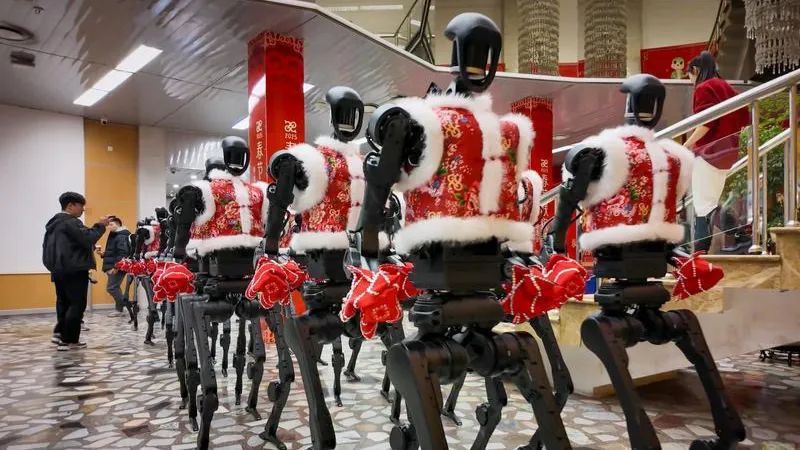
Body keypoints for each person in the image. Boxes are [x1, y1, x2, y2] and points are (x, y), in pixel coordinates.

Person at [683, 51, 750, 252]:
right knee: (710, 202)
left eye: (689, 75)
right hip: (727, 152)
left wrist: (687, 145)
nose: (690, 80)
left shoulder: (704, 87)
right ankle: (740, 237)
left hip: (708, 152)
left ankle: (701, 250)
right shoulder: (726, 87)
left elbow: (706, 122)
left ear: (695, 70)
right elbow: (745, 117)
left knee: (703, 205)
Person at [43, 192, 109, 351]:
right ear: (70, 205)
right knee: (76, 304)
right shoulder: (70, 222)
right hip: (74, 269)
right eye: (81, 206)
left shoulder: (54, 224)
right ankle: (69, 340)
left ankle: (60, 334)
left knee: (63, 303)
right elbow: (88, 238)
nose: (83, 209)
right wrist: (100, 225)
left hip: (58, 270)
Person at [98, 216, 130, 317]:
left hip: (117, 266)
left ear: (118, 225)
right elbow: (113, 252)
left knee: (111, 288)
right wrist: (103, 254)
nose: (109, 227)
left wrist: (116, 267)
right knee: (115, 287)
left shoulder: (121, 236)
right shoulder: (115, 234)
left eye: (112, 224)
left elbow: (122, 253)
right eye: (108, 225)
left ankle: (121, 309)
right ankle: (121, 308)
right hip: (114, 265)